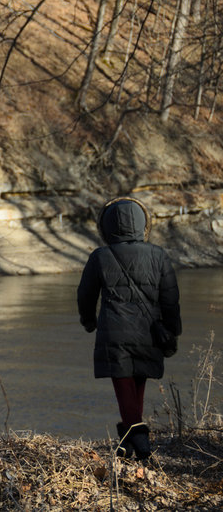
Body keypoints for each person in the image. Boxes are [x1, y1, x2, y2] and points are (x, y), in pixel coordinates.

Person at [77, 197, 181, 460]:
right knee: (137, 385)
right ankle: (128, 443)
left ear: (106, 226)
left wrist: (88, 321)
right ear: (142, 223)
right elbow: (170, 297)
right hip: (149, 332)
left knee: (124, 388)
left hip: (115, 333)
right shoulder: (158, 254)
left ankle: (139, 440)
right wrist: (172, 330)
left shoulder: (100, 256)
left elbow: (85, 295)